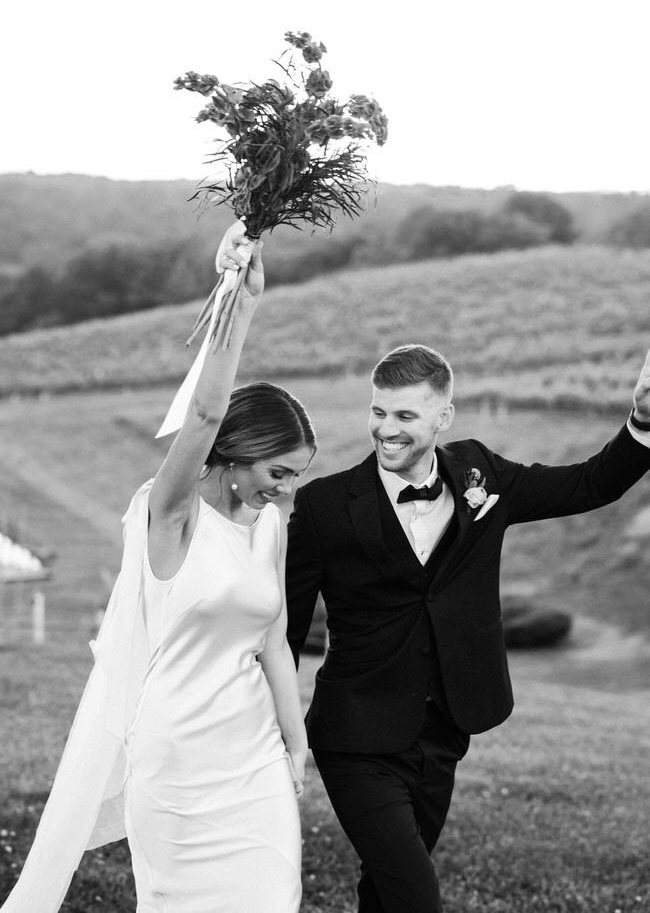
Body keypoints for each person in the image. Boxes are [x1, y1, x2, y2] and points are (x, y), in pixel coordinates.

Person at [2, 232, 314, 913]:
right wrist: (241, 303)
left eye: (296, 479)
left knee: (273, 898)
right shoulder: (169, 514)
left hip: (254, 756)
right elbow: (204, 411)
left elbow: (273, 639)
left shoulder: (270, 526)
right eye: (278, 473)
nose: (284, 492)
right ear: (238, 453)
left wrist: (296, 744)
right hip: (175, 760)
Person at [286, 343, 650, 913]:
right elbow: (286, 631)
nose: (386, 429)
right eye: (379, 412)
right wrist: (272, 728)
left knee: (385, 891)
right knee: (415, 894)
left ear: (443, 417)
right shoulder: (324, 506)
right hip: (355, 736)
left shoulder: (482, 474)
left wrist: (643, 422)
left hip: (445, 730)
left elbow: (589, 485)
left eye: (405, 415)